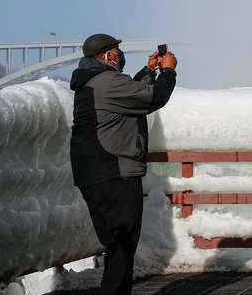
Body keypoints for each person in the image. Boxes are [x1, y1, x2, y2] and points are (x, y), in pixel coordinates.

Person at [69, 34, 177, 295]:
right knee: (122, 242)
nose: (120, 55)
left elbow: (130, 95)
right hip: (115, 172)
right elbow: (154, 98)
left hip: (95, 173)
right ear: (108, 56)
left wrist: (148, 71)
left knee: (117, 243)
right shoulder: (108, 81)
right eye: (117, 51)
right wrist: (168, 71)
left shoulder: (92, 82)